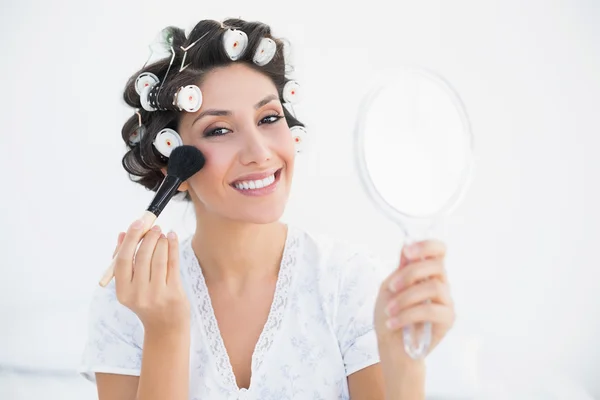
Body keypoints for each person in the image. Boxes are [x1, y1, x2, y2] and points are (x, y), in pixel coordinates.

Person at [79, 17, 455, 400]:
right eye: (219, 130)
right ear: (173, 165)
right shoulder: (128, 301)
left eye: (269, 118)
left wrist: (405, 362)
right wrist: (166, 332)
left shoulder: (349, 283)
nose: (259, 153)